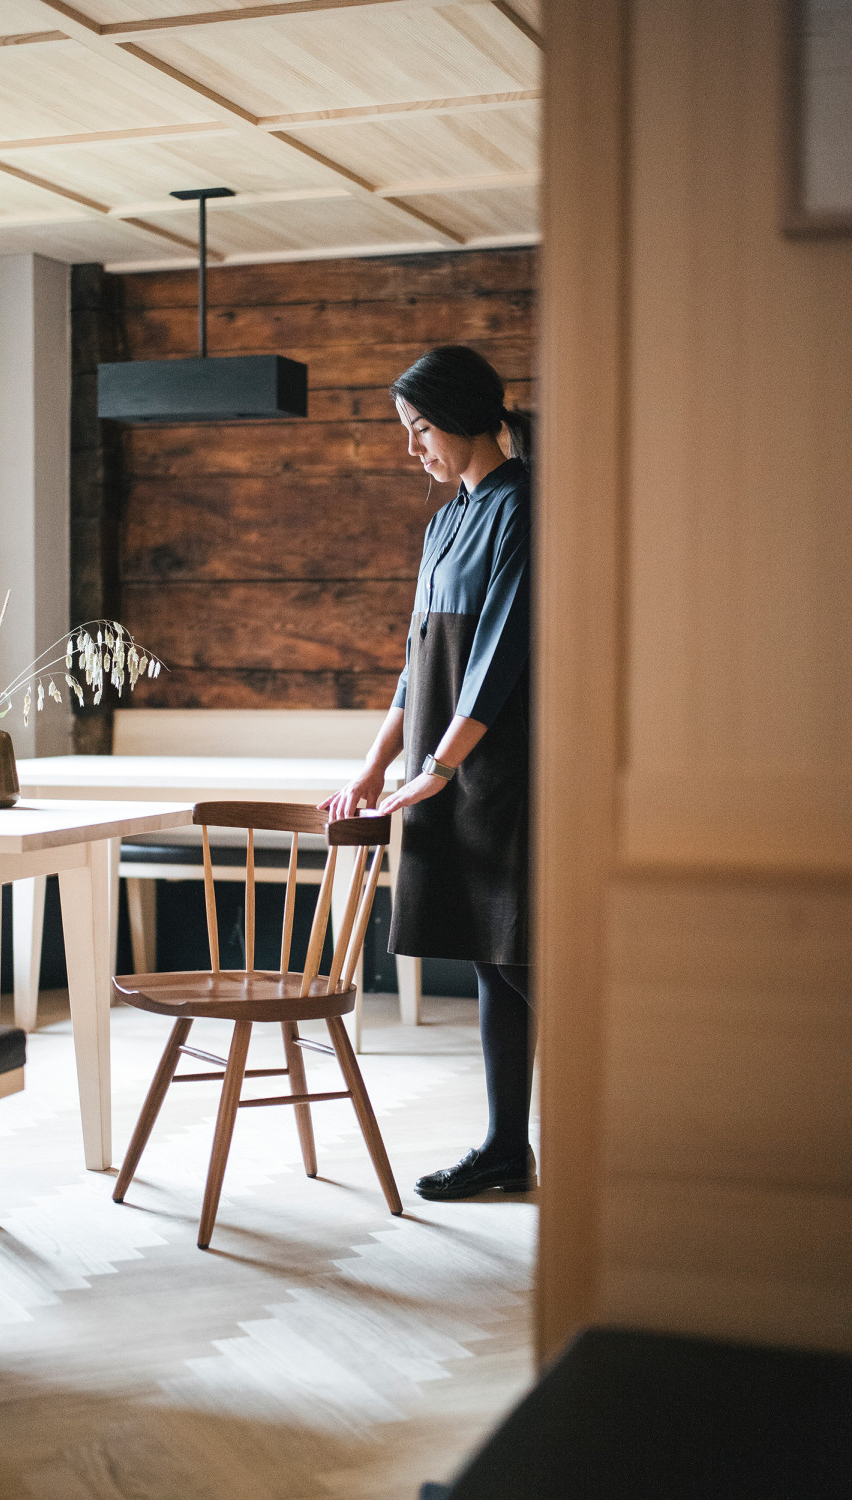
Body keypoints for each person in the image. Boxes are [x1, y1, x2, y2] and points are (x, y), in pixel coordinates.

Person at [320, 344, 535, 1201]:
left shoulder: (526, 507)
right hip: (438, 772)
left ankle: (608, 1135)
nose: (413, 447)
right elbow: (418, 661)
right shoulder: (444, 520)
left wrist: (443, 764)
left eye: (420, 428)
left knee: (524, 955)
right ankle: (504, 1150)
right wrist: (378, 765)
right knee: (492, 958)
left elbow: (500, 653)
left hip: (502, 769)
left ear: (464, 416)